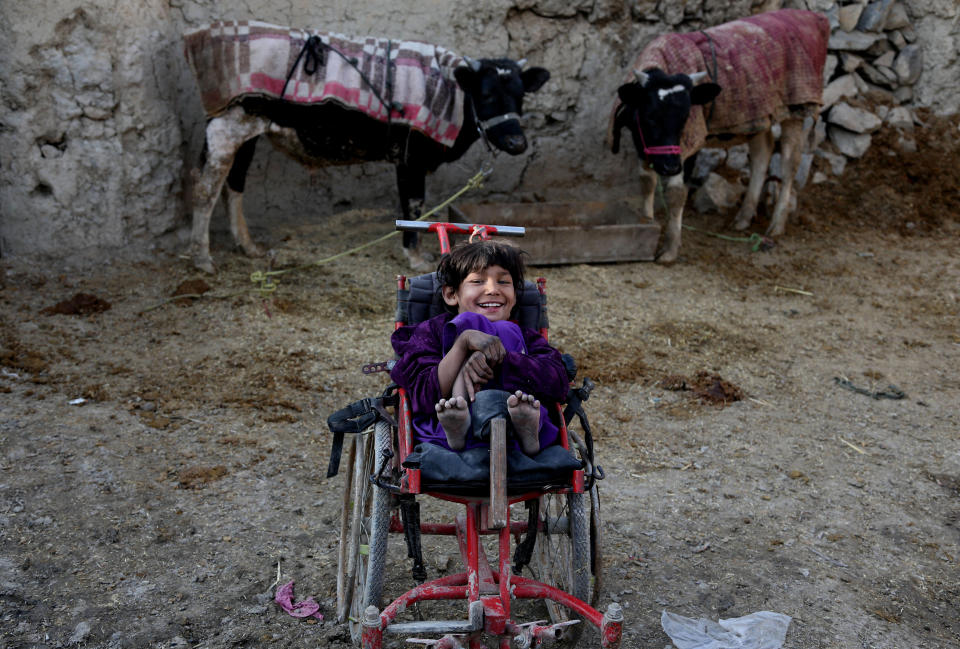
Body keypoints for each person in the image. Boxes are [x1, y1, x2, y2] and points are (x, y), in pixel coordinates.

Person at [390, 239, 568, 456]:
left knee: (505, 331)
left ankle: (526, 431)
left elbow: (558, 383)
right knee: (465, 327)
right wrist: (462, 345)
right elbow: (422, 394)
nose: (492, 290)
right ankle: (459, 425)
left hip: (514, 427)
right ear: (451, 294)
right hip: (446, 426)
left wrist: (497, 360)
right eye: (477, 281)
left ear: (515, 297)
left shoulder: (526, 336)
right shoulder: (431, 332)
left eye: (503, 282)